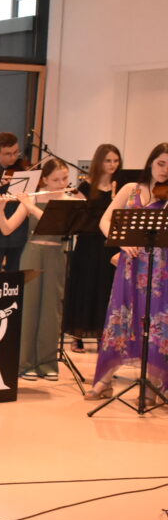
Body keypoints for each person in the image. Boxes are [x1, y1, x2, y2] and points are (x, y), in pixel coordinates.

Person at [85, 144, 168, 401]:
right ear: (151, 162)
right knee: (120, 318)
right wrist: (120, 241)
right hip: (130, 266)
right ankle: (104, 381)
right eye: (161, 163)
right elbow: (105, 220)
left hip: (160, 270)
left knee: (156, 324)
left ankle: (154, 386)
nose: (165, 170)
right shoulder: (130, 189)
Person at [0, 158, 78, 380]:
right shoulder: (31, 198)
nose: (62, 183)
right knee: (28, 308)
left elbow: (59, 225)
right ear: (44, 180)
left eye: (65, 178)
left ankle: (47, 363)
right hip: (32, 253)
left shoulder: (70, 199)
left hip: (57, 254)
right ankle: (24, 363)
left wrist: (31, 207)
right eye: (56, 179)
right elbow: (7, 229)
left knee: (51, 309)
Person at [63, 144, 122, 351]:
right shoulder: (86, 187)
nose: (112, 165)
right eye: (108, 160)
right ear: (99, 162)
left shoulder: (120, 188)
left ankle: (100, 334)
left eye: (116, 161)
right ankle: (77, 335)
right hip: (88, 244)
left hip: (109, 244)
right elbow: (77, 217)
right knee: (85, 287)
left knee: (105, 289)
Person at [0, 131, 29, 272]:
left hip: (19, 235)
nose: (13, 157)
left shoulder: (24, 172)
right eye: (8, 154)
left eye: (16, 152)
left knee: (15, 281)